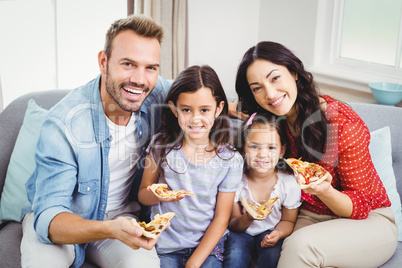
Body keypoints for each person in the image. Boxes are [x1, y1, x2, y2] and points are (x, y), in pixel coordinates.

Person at [21, 14, 172, 268]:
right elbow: (50, 218)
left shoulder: (156, 92)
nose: (139, 79)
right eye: (128, 64)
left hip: (124, 219)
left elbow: (201, 96)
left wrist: (235, 108)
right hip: (64, 217)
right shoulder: (63, 123)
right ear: (104, 62)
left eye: (150, 67)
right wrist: (110, 229)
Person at [235, 41, 398, 267]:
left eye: (275, 78)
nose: (270, 94)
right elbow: (235, 110)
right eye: (257, 87)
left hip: (369, 220)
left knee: (300, 246)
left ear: (294, 73)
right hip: (310, 216)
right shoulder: (272, 120)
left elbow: (359, 208)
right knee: (277, 251)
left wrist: (325, 190)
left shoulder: (342, 124)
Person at [138, 65, 244, 268]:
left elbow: (222, 219)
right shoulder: (160, 146)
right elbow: (143, 194)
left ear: (219, 109)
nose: (196, 119)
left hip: (207, 248)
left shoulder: (230, 160)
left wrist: (193, 263)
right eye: (186, 110)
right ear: (174, 108)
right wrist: (158, 195)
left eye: (204, 110)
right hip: (166, 246)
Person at [223, 113, 301, 268]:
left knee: (273, 256)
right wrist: (248, 218)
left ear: (281, 151)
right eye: (254, 146)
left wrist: (277, 234)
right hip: (241, 232)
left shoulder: (289, 184)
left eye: (271, 147)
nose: (262, 154)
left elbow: (288, 220)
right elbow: (233, 223)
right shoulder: (235, 180)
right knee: (235, 256)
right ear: (243, 148)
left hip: (271, 230)